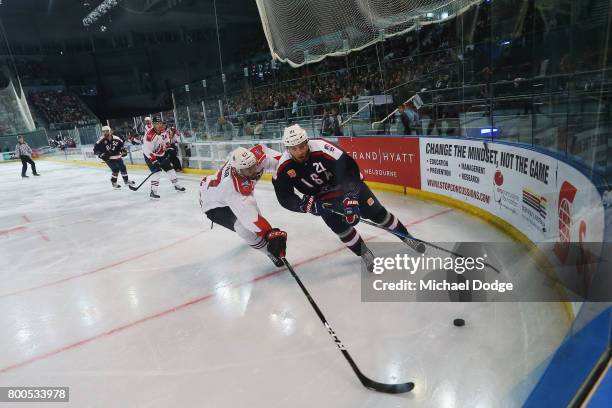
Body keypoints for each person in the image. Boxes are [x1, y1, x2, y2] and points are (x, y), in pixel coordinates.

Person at [272, 124, 425, 271]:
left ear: (307, 142)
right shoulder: (283, 167)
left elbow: (350, 169)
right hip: (323, 200)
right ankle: (364, 253)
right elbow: (284, 196)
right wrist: (304, 205)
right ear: (287, 148)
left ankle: (406, 237)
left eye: (302, 146)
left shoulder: (322, 147)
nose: (299, 152)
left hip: (346, 188)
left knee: (378, 214)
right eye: (294, 148)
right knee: (341, 229)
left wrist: (351, 196)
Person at [199, 144, 287, 267]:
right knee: (243, 228)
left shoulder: (255, 157)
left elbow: (282, 160)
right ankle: (268, 253)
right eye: (248, 169)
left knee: (254, 221)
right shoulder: (232, 188)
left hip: (223, 193)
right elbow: (251, 219)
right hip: (214, 205)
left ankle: (260, 240)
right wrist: (270, 235)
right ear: (238, 170)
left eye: (253, 166)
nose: (253, 171)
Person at [142, 117, 185, 199]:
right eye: (157, 123)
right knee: (156, 172)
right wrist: (154, 161)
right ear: (153, 124)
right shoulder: (149, 136)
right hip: (149, 155)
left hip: (160, 154)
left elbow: (166, 141)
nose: (159, 125)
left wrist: (169, 148)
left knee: (170, 169)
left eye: (160, 123)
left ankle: (177, 186)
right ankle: (153, 192)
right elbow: (147, 150)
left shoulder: (163, 131)